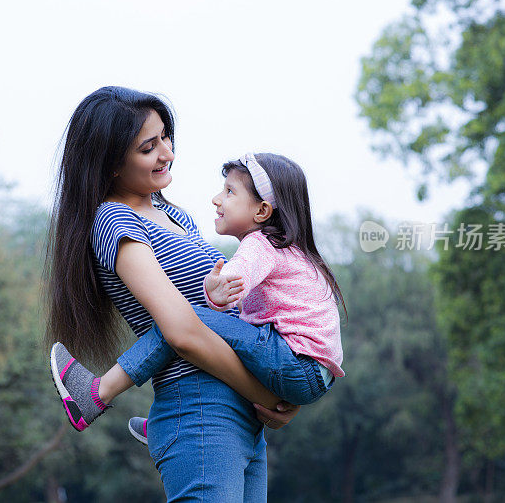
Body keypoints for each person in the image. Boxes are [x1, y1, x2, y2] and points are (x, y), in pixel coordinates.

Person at [46, 86, 298, 502]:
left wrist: (281, 385)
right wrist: (266, 395)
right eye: (149, 147)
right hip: (200, 407)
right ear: (110, 163)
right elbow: (181, 329)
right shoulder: (115, 221)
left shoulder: (173, 214)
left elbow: (223, 311)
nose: (168, 153)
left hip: (240, 417)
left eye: (166, 137)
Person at [51, 152, 345, 446]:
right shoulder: (291, 251)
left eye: (229, 192)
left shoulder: (261, 245)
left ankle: (98, 393)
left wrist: (216, 291)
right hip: (311, 372)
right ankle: (162, 426)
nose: (217, 199)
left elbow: (234, 279)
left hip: (293, 362)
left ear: (262, 211)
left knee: (183, 317)